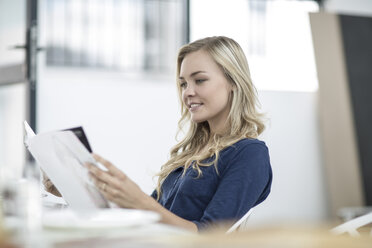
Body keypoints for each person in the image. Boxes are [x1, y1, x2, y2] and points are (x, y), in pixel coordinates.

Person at [44, 36, 272, 232]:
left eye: (199, 80)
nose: (188, 92)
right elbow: (147, 218)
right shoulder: (192, 152)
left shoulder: (249, 154)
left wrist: (141, 201)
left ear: (233, 82)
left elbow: (209, 237)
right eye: (183, 84)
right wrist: (76, 189)